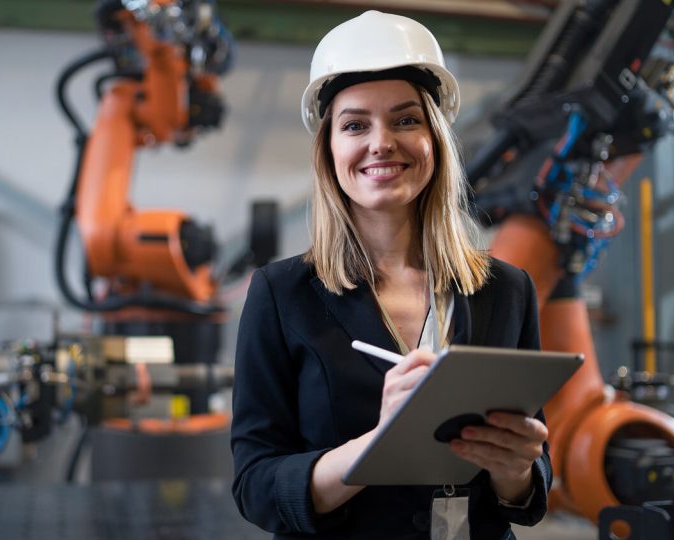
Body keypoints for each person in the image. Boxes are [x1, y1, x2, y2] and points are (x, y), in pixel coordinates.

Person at [230, 10, 551, 539]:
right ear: (330, 149)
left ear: (435, 140)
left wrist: (515, 469)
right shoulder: (282, 295)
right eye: (356, 124)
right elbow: (256, 486)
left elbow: (530, 488)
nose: (381, 142)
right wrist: (378, 444)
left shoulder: (505, 290)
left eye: (405, 120)